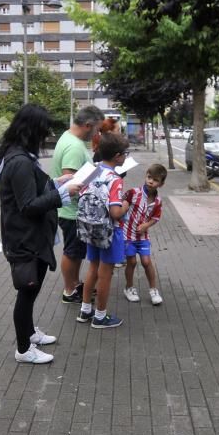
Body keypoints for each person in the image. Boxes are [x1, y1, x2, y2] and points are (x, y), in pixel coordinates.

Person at [0, 104, 82, 364]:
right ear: (32, 130)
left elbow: (34, 188)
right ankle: (23, 349)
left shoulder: (20, 156)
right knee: (27, 292)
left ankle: (29, 333)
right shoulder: (19, 161)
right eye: (43, 130)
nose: (46, 136)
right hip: (24, 239)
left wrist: (57, 184)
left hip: (30, 237)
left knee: (33, 289)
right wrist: (64, 194)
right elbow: (28, 205)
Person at [49, 105, 105, 304]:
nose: (97, 133)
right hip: (71, 211)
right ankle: (69, 290)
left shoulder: (69, 138)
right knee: (72, 252)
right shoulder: (74, 146)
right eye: (97, 129)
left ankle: (74, 284)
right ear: (88, 125)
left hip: (71, 209)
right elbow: (68, 180)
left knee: (75, 251)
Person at [76, 131, 130, 329]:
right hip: (108, 231)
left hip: (89, 228)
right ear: (117, 156)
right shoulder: (115, 179)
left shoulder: (92, 171)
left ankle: (85, 310)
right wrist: (126, 204)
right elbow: (116, 212)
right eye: (126, 152)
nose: (127, 156)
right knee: (105, 273)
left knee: (92, 268)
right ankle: (100, 316)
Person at [121, 163, 167, 305]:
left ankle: (153, 290)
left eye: (155, 180)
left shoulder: (158, 201)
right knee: (132, 262)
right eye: (149, 177)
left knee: (146, 262)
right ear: (145, 176)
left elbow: (156, 218)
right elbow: (121, 210)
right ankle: (129, 288)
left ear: (161, 184)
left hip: (143, 237)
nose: (151, 181)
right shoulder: (133, 193)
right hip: (127, 235)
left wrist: (146, 225)